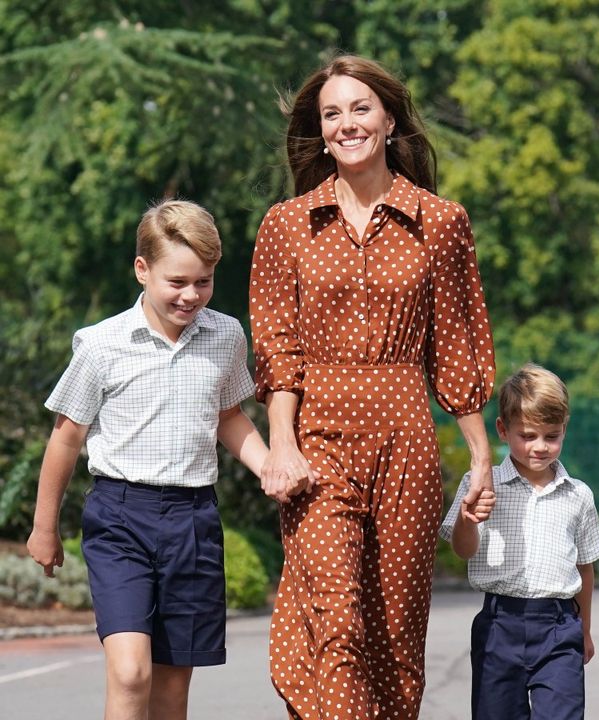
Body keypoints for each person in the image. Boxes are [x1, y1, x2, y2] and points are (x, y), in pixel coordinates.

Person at [250, 54, 497, 719]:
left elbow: (457, 344)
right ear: (321, 129)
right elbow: (278, 352)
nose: (346, 123)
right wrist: (281, 444)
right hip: (317, 444)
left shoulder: (441, 222)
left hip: (406, 445)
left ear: (389, 119)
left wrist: (478, 456)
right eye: (332, 113)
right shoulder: (287, 225)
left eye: (360, 108)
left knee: (393, 634)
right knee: (337, 623)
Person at [25, 200, 270, 720]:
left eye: (203, 281)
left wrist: (269, 466)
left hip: (194, 522)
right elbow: (66, 438)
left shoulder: (225, 335)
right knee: (132, 671)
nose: (191, 295)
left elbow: (229, 416)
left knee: (171, 689)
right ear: (142, 269)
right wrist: (44, 527)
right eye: (177, 281)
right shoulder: (100, 345)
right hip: (120, 519)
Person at [440, 363, 599, 720]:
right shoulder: (481, 483)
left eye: (552, 435)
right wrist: (469, 521)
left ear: (564, 430)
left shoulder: (578, 495)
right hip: (500, 625)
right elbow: (463, 550)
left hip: (560, 629)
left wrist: (585, 632)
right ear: (503, 429)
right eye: (528, 435)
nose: (540, 447)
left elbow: (585, 569)